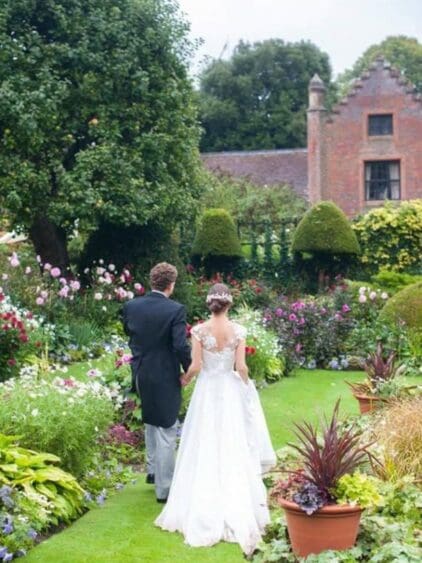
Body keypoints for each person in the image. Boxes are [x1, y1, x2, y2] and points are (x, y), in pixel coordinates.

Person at [155, 283, 276, 555]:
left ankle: (199, 500)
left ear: (209, 304)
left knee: (203, 440)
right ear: (229, 304)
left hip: (207, 391)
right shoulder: (239, 331)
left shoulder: (199, 331)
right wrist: (245, 385)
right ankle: (236, 499)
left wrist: (185, 379)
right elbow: (241, 366)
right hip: (229, 390)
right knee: (233, 440)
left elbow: (196, 366)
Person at [122, 262, 191, 502]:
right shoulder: (175, 310)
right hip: (164, 375)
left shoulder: (131, 306)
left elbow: (129, 333)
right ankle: (165, 489)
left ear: (152, 281)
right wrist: (188, 368)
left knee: (151, 422)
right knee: (166, 428)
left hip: (140, 372)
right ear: (171, 284)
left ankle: (153, 472)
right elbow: (180, 345)